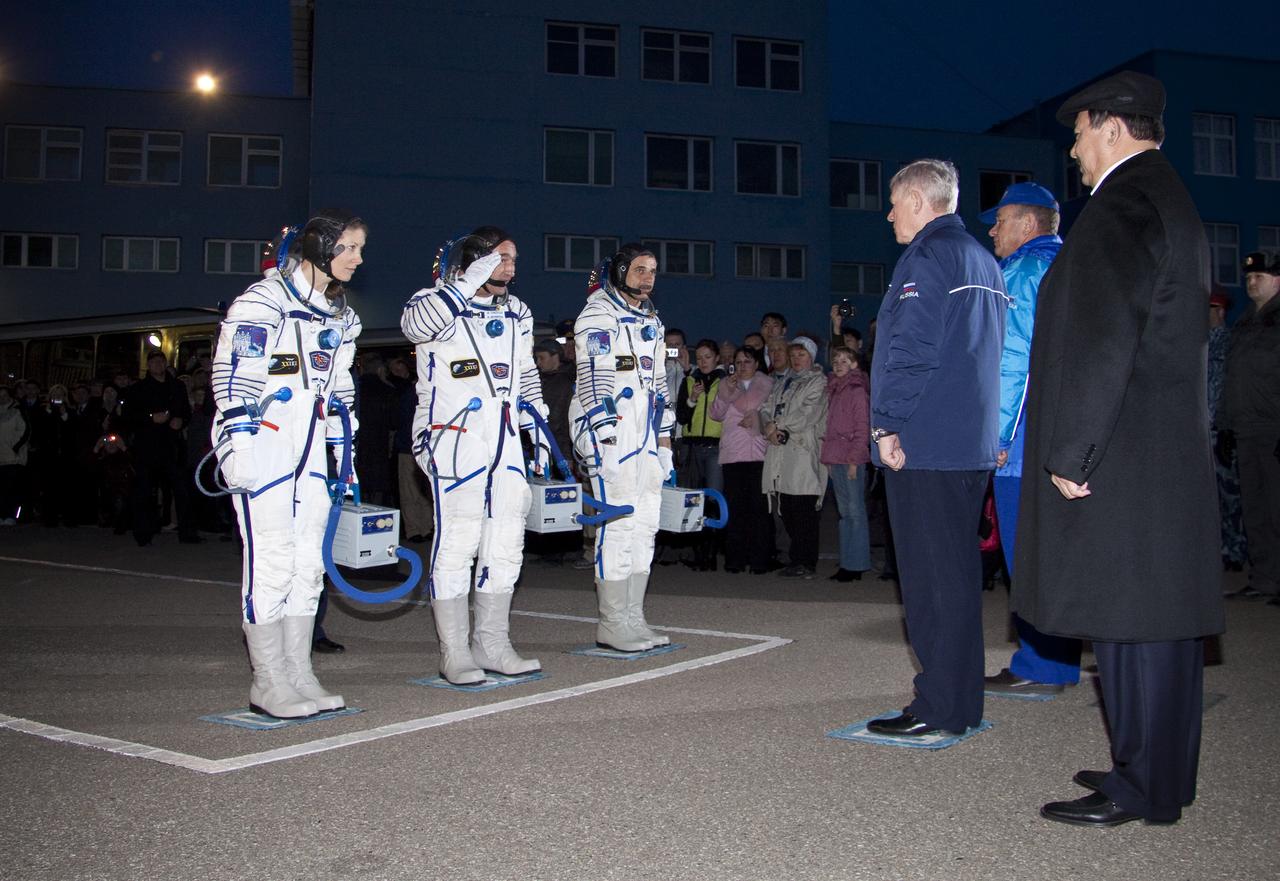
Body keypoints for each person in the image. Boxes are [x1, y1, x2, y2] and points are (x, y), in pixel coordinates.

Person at [1013, 72, 1224, 826]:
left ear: (1110, 127)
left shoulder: (1125, 202)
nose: (1073, 151)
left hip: (1123, 449)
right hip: (1153, 448)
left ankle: (1141, 786)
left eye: (1078, 134)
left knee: (1134, 625)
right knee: (1153, 623)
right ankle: (1158, 772)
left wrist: (1073, 449)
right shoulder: (1166, 196)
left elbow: (1104, 337)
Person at [866, 158, 1006, 738]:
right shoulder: (982, 259)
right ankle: (958, 702)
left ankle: (939, 707)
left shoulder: (927, 256)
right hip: (968, 442)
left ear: (920, 202)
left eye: (895, 203)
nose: (889, 215)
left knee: (929, 582)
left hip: (926, 443)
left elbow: (913, 348)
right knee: (957, 577)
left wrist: (886, 424)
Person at [211, 210, 366, 718]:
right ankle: (268, 680)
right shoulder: (263, 301)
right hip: (266, 444)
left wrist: (344, 452)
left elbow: (339, 388)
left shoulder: (338, 316)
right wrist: (240, 445)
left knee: (308, 563)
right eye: (348, 247)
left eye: (360, 249)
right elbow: (236, 374)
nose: (357, 259)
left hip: (311, 447)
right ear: (319, 247)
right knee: (273, 560)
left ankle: (299, 673)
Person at [402, 226, 546, 684]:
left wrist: (537, 426)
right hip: (452, 434)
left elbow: (525, 373)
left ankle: (492, 643)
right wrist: (465, 283)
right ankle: (455, 651)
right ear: (474, 262)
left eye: (513, 260)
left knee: (506, 539)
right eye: (500, 259)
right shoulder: (435, 302)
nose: (510, 268)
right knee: (459, 538)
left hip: (503, 436)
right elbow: (414, 328)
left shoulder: (518, 312)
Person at [974, 182, 1081, 697]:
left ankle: (1042, 666)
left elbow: (1012, 358)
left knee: (1027, 552)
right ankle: (1056, 660)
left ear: (1027, 223)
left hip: (1023, 440)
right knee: (1057, 553)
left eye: (1000, 221)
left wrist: (995, 434)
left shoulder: (1023, 270)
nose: (993, 231)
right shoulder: (1072, 263)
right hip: (1066, 434)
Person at [570, 243, 676, 651]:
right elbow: (592, 378)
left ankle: (634, 617)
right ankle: (612, 622)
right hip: (611, 429)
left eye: (652, 270)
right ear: (618, 272)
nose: (648, 277)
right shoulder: (598, 315)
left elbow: (659, 384)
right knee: (618, 523)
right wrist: (605, 436)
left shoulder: (652, 320)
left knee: (645, 524)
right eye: (639, 269)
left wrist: (665, 442)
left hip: (644, 431)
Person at [1218, 252, 1280, 603]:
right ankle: (1265, 578)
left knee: (1276, 507)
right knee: (1254, 510)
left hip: (1273, 428)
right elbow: (1233, 377)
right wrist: (1226, 425)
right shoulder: (1245, 321)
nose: (1251, 282)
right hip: (1246, 429)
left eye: (1259, 276)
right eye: (1248, 277)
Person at [760, 338, 828, 579]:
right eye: (794, 355)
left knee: (803, 508)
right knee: (787, 506)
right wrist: (769, 426)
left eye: (802, 355)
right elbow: (766, 407)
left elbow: (808, 413)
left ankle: (806, 561)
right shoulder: (783, 382)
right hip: (780, 451)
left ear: (812, 357)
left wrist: (777, 424)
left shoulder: (818, 381)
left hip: (803, 452)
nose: (797, 359)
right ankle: (796, 558)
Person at [710, 345, 774, 574]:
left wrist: (756, 417)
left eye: (747, 361)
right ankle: (735, 559)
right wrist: (726, 393)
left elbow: (772, 413)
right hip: (733, 455)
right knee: (735, 509)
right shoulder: (726, 385)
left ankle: (760, 560)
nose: (742, 366)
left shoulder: (768, 385)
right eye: (738, 362)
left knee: (759, 509)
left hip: (759, 453)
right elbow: (715, 414)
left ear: (756, 363)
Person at [124, 354, 198, 544]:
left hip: (171, 445)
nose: (158, 365)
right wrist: (151, 418)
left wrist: (180, 420)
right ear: (148, 365)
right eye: (154, 362)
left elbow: (185, 412)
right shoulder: (138, 389)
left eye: (161, 361)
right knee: (144, 490)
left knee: (181, 488)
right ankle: (143, 533)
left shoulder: (177, 386)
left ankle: (187, 533)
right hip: (147, 446)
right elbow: (129, 416)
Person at [819, 345, 870, 581]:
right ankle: (848, 560)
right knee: (844, 512)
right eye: (836, 361)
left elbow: (862, 428)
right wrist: (829, 459)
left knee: (854, 511)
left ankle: (856, 563)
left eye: (844, 361)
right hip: (837, 456)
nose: (838, 365)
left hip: (851, 457)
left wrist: (854, 460)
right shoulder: (834, 389)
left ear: (854, 364)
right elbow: (830, 428)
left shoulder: (857, 390)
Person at [675, 338, 726, 571]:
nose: (703, 362)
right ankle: (697, 553)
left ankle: (711, 554)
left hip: (716, 447)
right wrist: (692, 399)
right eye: (700, 358)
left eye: (708, 357)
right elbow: (681, 417)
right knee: (693, 501)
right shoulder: (689, 380)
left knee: (714, 500)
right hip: (692, 446)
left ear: (717, 358)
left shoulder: (725, 382)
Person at [1206, 287, 1247, 573]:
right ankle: (1218, 549)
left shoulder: (1231, 345)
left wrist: (1227, 426)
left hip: (1223, 431)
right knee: (1211, 498)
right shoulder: (1197, 346)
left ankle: (1236, 549)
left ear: (1220, 311)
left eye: (1209, 309)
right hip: (1201, 434)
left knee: (1231, 496)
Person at [0, 385, 27, 526]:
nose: (2, 398)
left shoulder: (18, 410)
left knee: (11, 488)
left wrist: (15, 446)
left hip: (12, 456)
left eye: (5, 395)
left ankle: (11, 515)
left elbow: (25, 430)